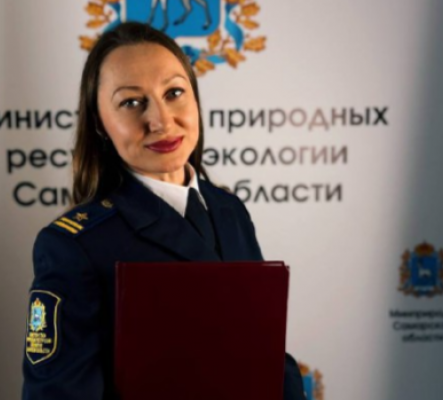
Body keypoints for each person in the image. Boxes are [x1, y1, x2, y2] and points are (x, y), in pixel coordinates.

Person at [22, 22, 306, 400]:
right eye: (131, 102)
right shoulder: (73, 246)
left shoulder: (230, 211)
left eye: (174, 93)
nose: (161, 121)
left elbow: (263, 352)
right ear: (100, 123)